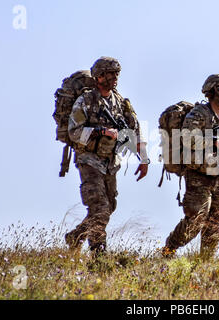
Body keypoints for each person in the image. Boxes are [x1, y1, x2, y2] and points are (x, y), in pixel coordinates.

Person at [65, 56, 149, 255]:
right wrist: (101, 131)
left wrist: (144, 159)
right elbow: (73, 132)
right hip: (89, 161)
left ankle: (75, 236)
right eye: (110, 73)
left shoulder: (121, 103)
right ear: (99, 76)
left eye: (116, 74)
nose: (114, 77)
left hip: (111, 163)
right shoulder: (85, 101)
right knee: (100, 209)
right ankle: (99, 258)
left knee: (109, 207)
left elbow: (135, 131)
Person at [162, 74, 219, 258]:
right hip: (198, 174)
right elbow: (186, 137)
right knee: (196, 219)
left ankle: (206, 261)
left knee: (217, 219)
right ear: (211, 91)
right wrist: (214, 141)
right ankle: (169, 249)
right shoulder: (199, 114)